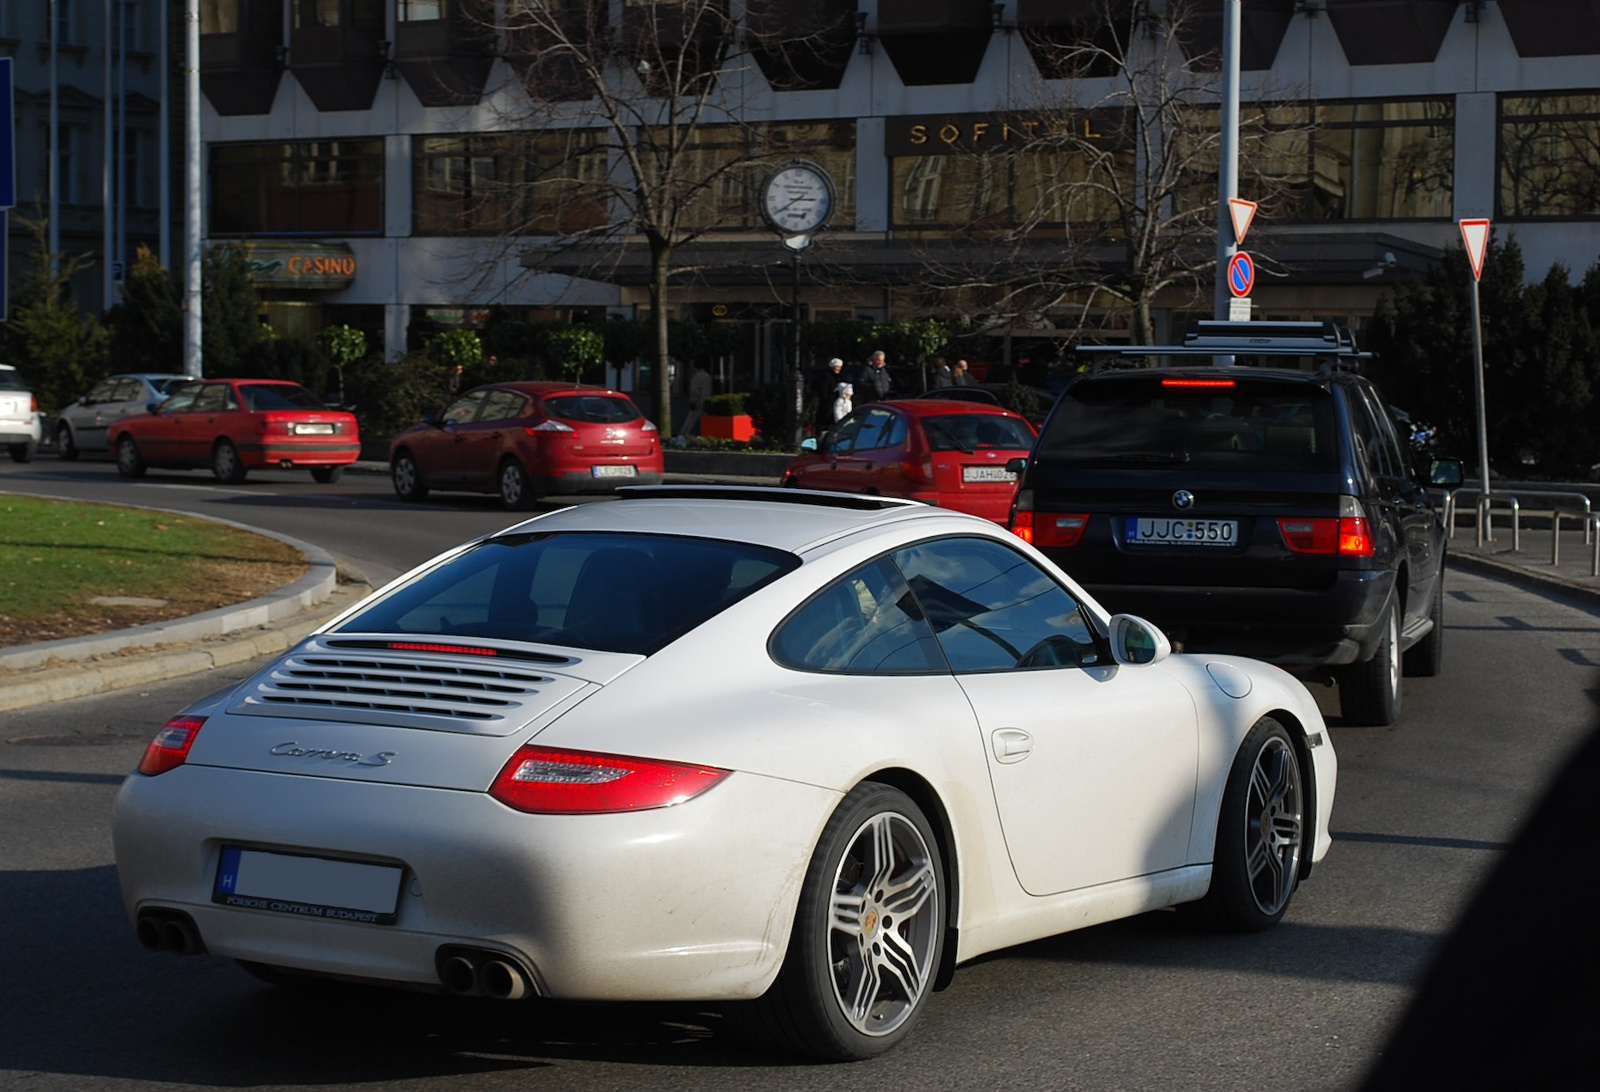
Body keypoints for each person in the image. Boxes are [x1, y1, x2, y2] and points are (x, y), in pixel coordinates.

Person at [678, 362, 713, 440]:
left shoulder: (697, 377)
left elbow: (695, 391)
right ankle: (707, 437)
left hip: (698, 403)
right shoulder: (707, 376)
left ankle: (682, 436)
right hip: (706, 402)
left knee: (690, 421)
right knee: (705, 422)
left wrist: (693, 401)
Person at [814, 358, 845, 435]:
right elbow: (823, 390)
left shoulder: (838, 376)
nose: (838, 369)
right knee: (825, 418)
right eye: (837, 367)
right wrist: (826, 400)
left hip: (835, 401)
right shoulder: (827, 376)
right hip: (828, 403)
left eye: (840, 367)